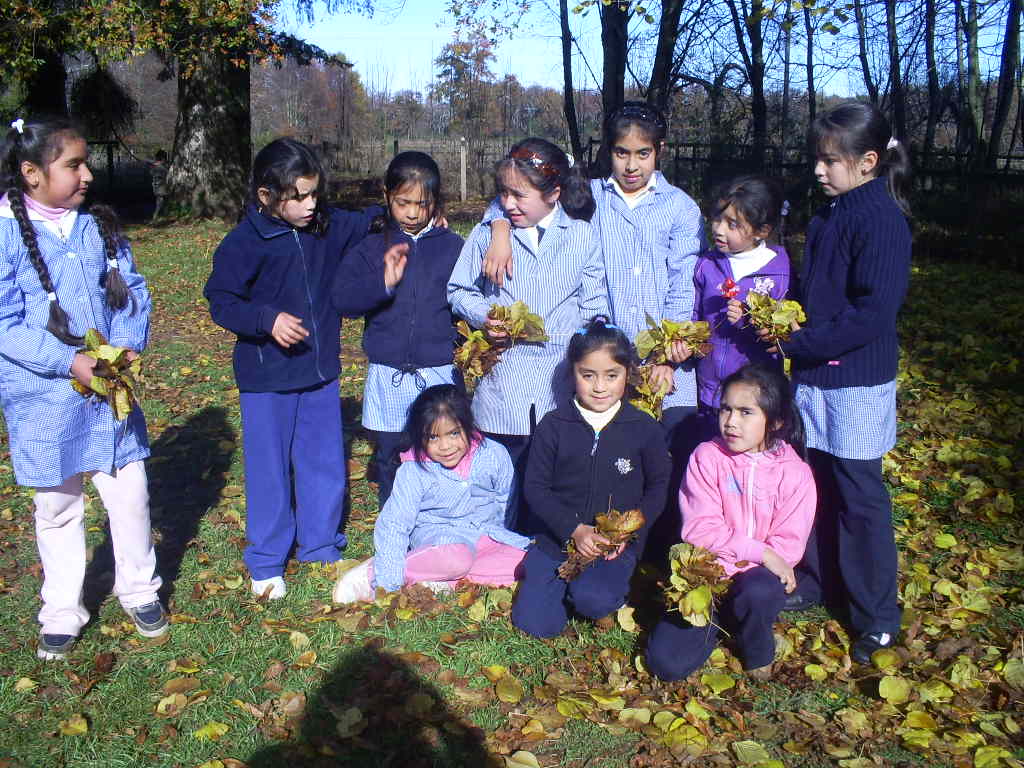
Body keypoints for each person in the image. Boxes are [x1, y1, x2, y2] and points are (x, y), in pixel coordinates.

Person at [478, 104, 703, 557]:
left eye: (642, 154)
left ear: (659, 151)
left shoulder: (680, 207)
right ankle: (592, 541)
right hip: (603, 361)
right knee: (604, 456)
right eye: (621, 153)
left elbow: (684, 282)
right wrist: (499, 227)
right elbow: (523, 196)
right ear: (608, 152)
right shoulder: (591, 197)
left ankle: (656, 557)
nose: (632, 165)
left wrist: (666, 356)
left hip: (664, 363)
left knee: (663, 457)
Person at [744, 102, 912, 664]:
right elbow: (814, 297)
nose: (819, 170)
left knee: (858, 495)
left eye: (830, 160)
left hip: (857, 381)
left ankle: (876, 615)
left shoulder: (882, 220)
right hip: (815, 375)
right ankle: (818, 580)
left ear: (868, 162)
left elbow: (873, 313)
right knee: (813, 483)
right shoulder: (828, 216)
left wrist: (801, 342)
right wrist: (778, 319)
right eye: (817, 158)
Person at [0, 116, 166, 659]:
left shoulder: (98, 226)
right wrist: (68, 361)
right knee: (57, 506)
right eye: (73, 165)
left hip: (108, 396)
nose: (87, 174)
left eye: (87, 163)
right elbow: (5, 323)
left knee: (130, 491)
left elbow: (131, 288)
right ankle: (61, 609)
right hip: (43, 400)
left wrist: (126, 343)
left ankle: (139, 588)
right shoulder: (5, 234)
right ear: (32, 173)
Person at [205, 137, 381, 600]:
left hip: (319, 374)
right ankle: (266, 561)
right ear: (266, 196)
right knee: (270, 471)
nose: (310, 204)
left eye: (314, 193)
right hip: (266, 380)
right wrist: (266, 320)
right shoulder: (244, 243)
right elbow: (221, 300)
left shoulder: (326, 226)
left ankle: (319, 546)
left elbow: (368, 220)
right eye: (298, 196)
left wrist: (411, 212)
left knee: (323, 462)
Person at [447, 137, 608, 531]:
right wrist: (485, 317)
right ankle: (496, 543)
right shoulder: (488, 235)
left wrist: (582, 340)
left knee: (550, 481)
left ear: (554, 193)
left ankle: (543, 547)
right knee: (501, 482)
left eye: (519, 195)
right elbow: (458, 290)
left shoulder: (582, 236)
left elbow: (594, 303)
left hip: (558, 381)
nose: (508, 203)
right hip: (504, 379)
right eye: (503, 193)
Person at [646, 364, 815, 681]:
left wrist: (759, 563)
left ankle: (755, 642)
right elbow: (700, 529)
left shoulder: (795, 473)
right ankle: (717, 617)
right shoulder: (706, 457)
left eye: (745, 412)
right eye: (726, 409)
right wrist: (758, 553)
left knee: (759, 591)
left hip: (757, 579)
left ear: (776, 421)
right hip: (708, 572)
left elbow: (787, 548)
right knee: (665, 664)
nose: (731, 422)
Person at [511, 316, 671, 638]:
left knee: (593, 599)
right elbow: (536, 488)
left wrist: (627, 534)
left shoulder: (644, 428)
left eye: (611, 375)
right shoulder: (553, 425)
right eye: (588, 375)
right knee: (535, 624)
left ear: (628, 373)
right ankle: (561, 590)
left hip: (613, 545)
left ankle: (599, 596)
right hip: (557, 539)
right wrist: (573, 529)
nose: (599, 387)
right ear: (573, 373)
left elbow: (657, 487)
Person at [333, 151, 464, 507]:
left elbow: (465, 303)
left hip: (438, 372)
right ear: (387, 196)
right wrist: (382, 283)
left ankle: (440, 519)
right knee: (391, 455)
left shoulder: (454, 248)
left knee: (442, 451)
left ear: (435, 201)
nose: (412, 213)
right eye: (403, 203)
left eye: (422, 204)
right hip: (389, 372)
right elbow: (342, 299)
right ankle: (394, 521)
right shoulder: (372, 247)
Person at [332, 384, 530, 602]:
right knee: (457, 559)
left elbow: (505, 500)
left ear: (468, 426)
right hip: (442, 540)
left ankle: (442, 578)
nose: (445, 446)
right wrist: (386, 582)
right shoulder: (414, 470)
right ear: (420, 437)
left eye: (454, 433)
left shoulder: (493, 454)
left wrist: (501, 538)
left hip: (487, 538)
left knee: (530, 562)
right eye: (433, 437)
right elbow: (395, 523)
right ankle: (373, 573)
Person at [690, 175, 789, 440]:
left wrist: (750, 322)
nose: (719, 229)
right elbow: (694, 316)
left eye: (732, 224)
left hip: (755, 395)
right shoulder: (707, 265)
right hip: (710, 390)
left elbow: (782, 333)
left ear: (762, 231)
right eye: (717, 219)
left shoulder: (779, 272)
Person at [148, 149, 168, 222]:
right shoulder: (158, 166)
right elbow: (154, 173)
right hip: (159, 186)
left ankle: (159, 216)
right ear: (162, 158)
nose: (165, 160)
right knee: (160, 202)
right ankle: (155, 217)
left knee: (161, 201)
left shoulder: (158, 166)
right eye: (165, 158)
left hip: (160, 185)